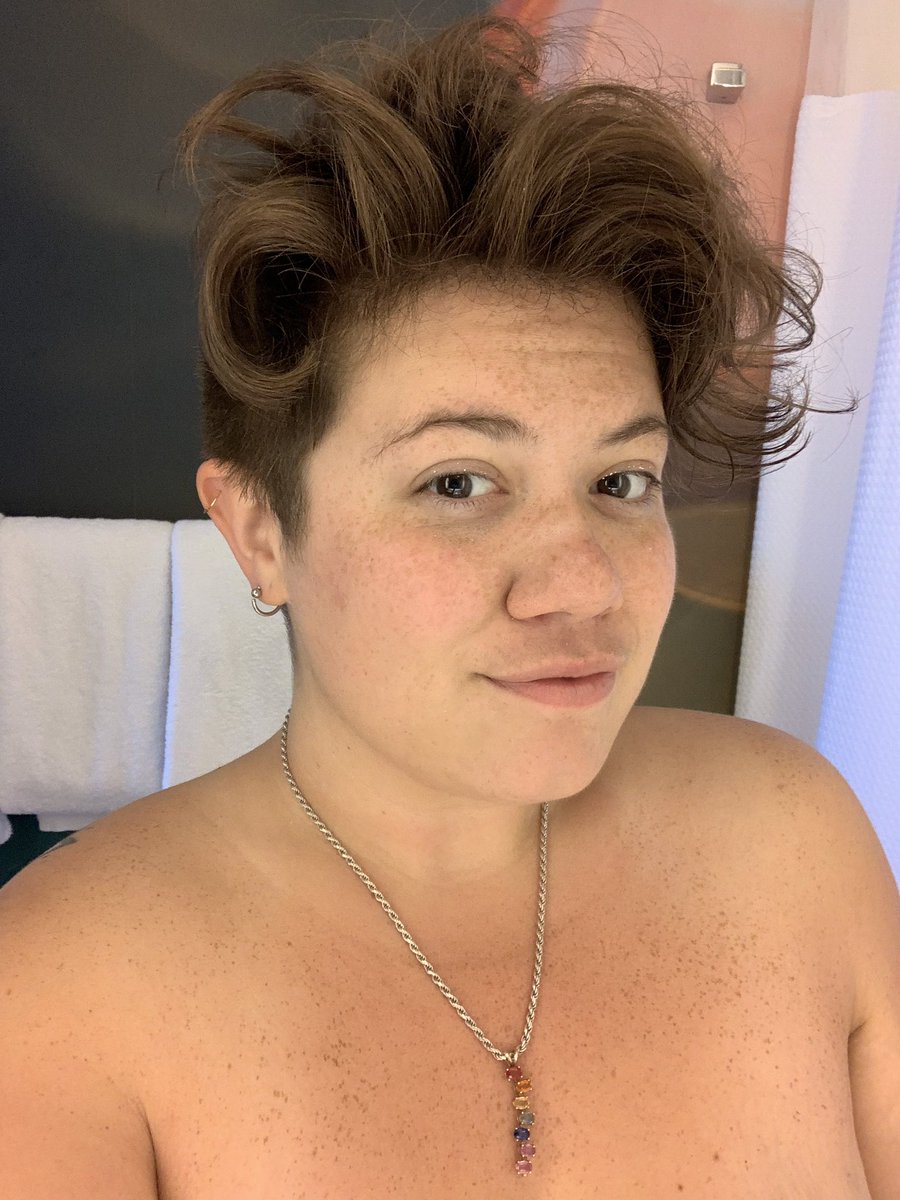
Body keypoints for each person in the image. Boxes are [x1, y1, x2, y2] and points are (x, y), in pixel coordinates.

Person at [1, 14, 897, 1199]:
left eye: (621, 481)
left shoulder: (799, 841)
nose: (584, 583)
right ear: (259, 532)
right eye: (459, 484)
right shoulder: (62, 991)